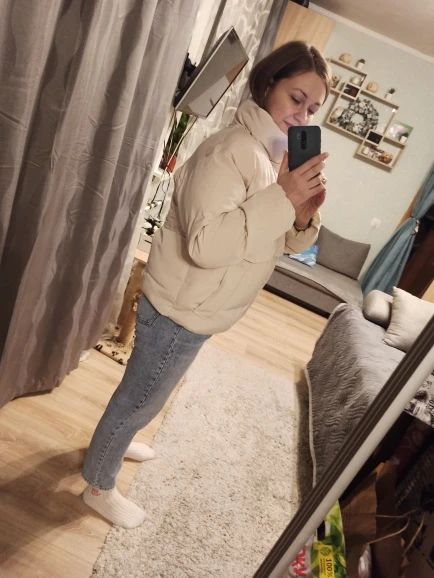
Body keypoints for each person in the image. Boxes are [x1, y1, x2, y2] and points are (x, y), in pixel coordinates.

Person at [82, 40, 331, 528]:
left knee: (147, 394)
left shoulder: (270, 157)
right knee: (139, 398)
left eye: (313, 109)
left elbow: (276, 241)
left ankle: (115, 443)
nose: (303, 116)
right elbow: (207, 245)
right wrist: (281, 196)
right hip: (178, 307)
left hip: (199, 308)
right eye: (296, 98)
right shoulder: (231, 151)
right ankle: (97, 483)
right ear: (268, 85)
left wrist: (301, 212)